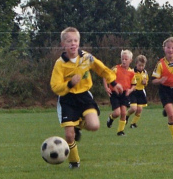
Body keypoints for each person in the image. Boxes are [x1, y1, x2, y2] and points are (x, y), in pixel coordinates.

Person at [50, 27, 121, 169]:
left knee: (94, 126)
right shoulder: (60, 63)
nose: (73, 43)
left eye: (75, 40)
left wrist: (113, 82)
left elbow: (102, 69)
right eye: (69, 41)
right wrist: (69, 84)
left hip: (84, 97)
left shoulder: (86, 58)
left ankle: (78, 126)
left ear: (79, 42)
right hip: (67, 99)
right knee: (69, 135)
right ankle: (74, 162)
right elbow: (55, 86)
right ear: (63, 44)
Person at [104, 49, 135, 136]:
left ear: (130, 60)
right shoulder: (116, 69)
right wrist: (106, 87)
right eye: (122, 59)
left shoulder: (131, 72)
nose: (124, 61)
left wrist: (130, 90)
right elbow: (105, 75)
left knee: (124, 113)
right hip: (115, 94)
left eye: (126, 59)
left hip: (125, 94)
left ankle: (120, 131)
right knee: (117, 113)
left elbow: (134, 84)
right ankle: (111, 118)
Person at [125, 54, 149, 129]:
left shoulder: (145, 72)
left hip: (141, 92)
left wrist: (145, 83)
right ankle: (126, 116)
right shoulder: (131, 72)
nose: (141, 67)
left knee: (139, 109)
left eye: (143, 65)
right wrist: (131, 87)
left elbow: (146, 82)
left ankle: (133, 123)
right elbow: (127, 81)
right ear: (136, 64)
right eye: (139, 65)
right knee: (133, 108)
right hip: (133, 92)